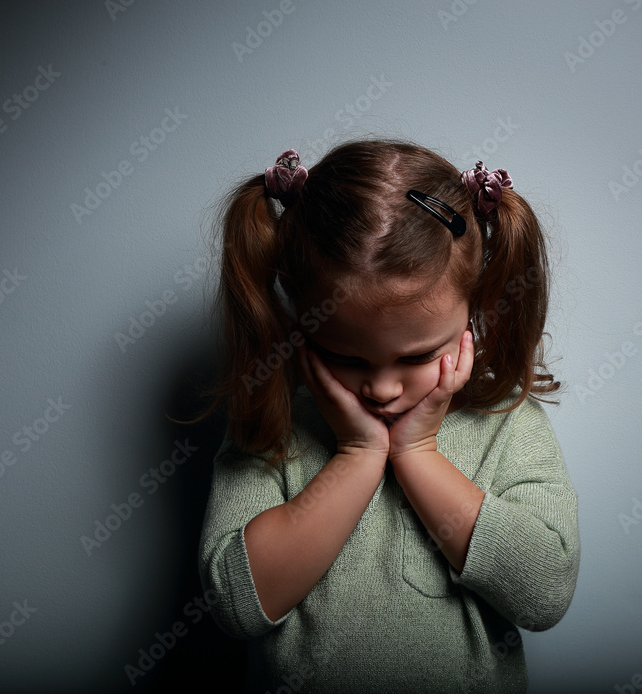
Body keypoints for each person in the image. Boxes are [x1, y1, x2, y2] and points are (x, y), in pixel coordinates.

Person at [197, 139, 579, 693]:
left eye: (417, 356)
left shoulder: (504, 421)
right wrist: (358, 455)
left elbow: (544, 592)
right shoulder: (275, 420)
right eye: (345, 357)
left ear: (471, 317)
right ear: (299, 323)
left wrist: (418, 454)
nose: (380, 388)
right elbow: (236, 605)